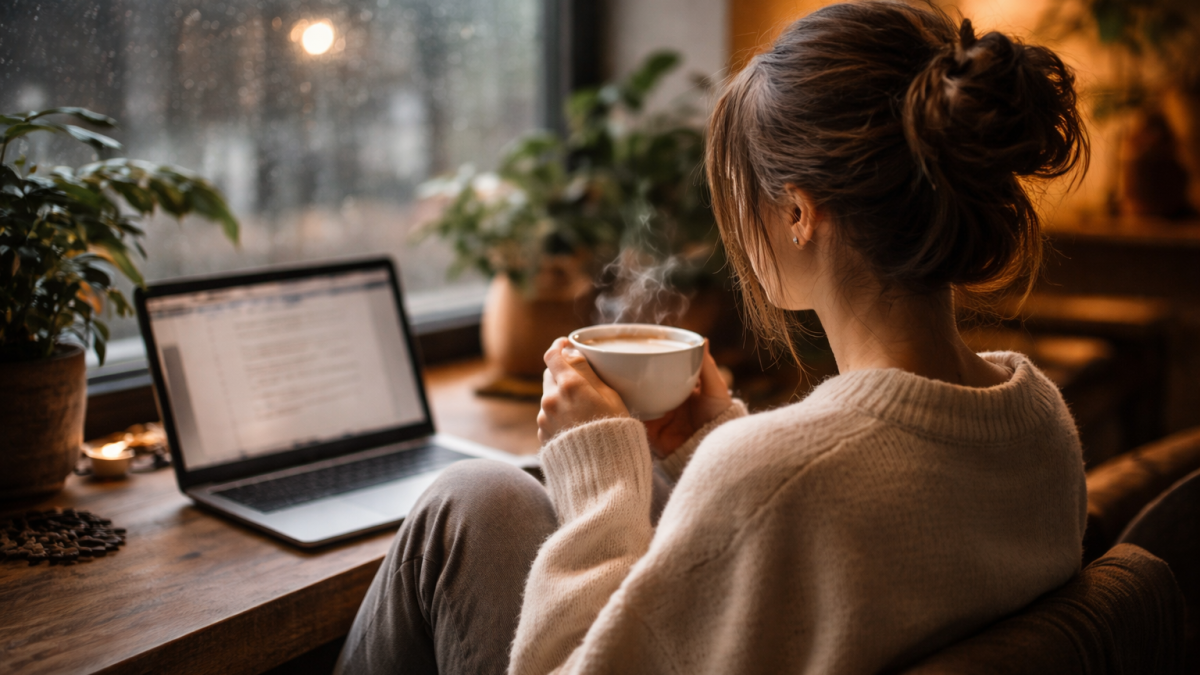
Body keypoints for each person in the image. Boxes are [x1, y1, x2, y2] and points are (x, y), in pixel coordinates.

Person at [335, 2, 1091, 673]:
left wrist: (601, 480)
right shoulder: (1039, 419)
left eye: (740, 192)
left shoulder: (774, 479)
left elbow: (797, 502)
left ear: (798, 212)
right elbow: (823, 589)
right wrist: (713, 445)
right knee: (492, 495)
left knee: (468, 496)